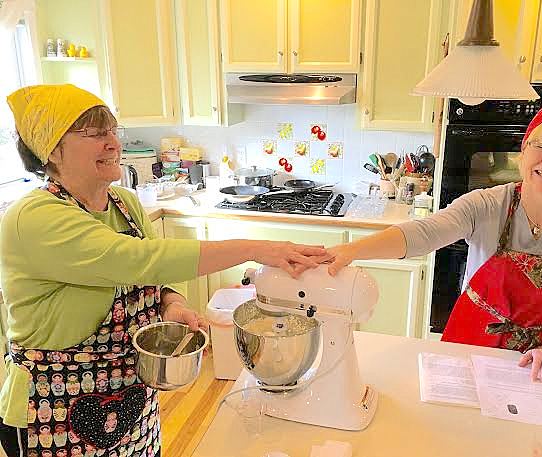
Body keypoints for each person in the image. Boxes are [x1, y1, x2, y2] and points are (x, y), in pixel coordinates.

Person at [0, 84, 326, 456]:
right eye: (95, 134)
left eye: (112, 131)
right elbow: (139, 260)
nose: (113, 144)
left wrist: (172, 303)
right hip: (49, 409)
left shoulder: (123, 204)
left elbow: (153, 277)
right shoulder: (33, 217)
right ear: (52, 149)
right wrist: (256, 248)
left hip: (131, 407)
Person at [323, 99, 542, 388]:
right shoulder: (487, 204)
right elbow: (424, 233)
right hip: (475, 345)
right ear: (524, 151)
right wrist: (350, 251)